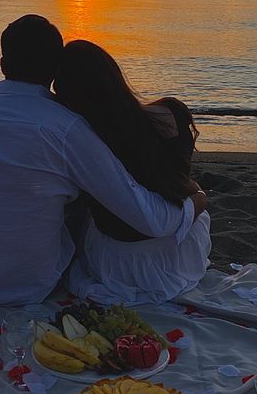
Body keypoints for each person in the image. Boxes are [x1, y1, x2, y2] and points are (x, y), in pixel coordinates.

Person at [0, 15, 206, 306]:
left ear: (3, 66)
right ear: (54, 71)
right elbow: (151, 220)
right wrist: (196, 200)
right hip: (29, 286)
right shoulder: (68, 129)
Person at [53, 39, 211, 305]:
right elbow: (181, 181)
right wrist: (199, 195)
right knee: (193, 203)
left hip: (119, 263)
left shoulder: (84, 138)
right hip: (178, 254)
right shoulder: (172, 114)